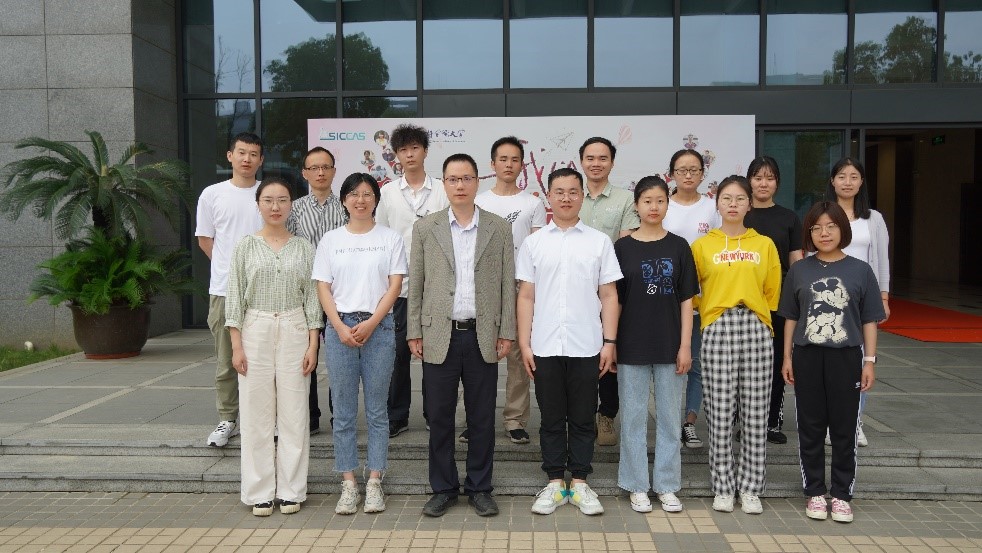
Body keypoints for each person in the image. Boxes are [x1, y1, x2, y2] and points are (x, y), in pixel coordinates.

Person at [407, 153, 515, 518]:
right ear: (444, 183)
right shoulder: (426, 228)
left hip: (482, 334)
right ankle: (443, 488)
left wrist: (506, 330)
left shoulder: (498, 227)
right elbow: (417, 282)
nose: (460, 185)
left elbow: (507, 284)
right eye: (453, 179)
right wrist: (414, 329)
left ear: (477, 181)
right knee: (439, 416)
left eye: (467, 178)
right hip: (440, 334)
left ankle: (480, 488)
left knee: (482, 416)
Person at [518, 167, 622, 516]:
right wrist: (525, 343)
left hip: (586, 343)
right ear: (548, 196)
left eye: (572, 192)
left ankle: (579, 482)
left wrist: (609, 342)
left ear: (582, 196)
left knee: (582, 416)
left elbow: (609, 295)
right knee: (550, 417)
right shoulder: (534, 243)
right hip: (545, 344)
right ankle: (553, 483)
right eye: (559, 192)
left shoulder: (599, 242)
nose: (566, 198)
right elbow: (526, 296)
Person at [779, 201, 884, 524]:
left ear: (843, 230)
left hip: (846, 356)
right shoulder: (800, 270)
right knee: (810, 426)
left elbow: (869, 320)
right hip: (807, 355)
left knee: (843, 428)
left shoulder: (860, 270)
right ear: (809, 233)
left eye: (831, 226)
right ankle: (814, 491)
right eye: (816, 228)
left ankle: (841, 494)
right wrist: (787, 356)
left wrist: (869, 360)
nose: (824, 233)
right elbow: (791, 317)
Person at [225, 176, 323, 516]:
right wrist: (237, 346)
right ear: (258, 205)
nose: (276, 206)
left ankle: (292, 490)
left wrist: (313, 344)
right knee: (256, 414)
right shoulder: (245, 247)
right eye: (268, 200)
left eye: (282, 200)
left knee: (295, 412)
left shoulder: (304, 248)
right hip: (256, 327)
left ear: (291, 204)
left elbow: (313, 299)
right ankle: (259, 492)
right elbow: (234, 298)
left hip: (295, 327)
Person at [312, 173, 407, 515]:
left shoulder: (390, 238)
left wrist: (372, 322)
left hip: (379, 327)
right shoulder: (331, 240)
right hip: (340, 328)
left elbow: (395, 286)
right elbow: (323, 287)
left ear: (376, 200)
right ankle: (349, 483)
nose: (361, 200)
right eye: (354, 194)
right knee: (344, 411)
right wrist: (338, 326)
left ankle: (376, 480)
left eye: (367, 194)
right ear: (344, 200)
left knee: (378, 410)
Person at [691, 175, 781, 515]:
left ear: (749, 204)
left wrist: (756, 314)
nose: (733, 204)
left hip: (755, 325)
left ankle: (751, 488)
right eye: (726, 198)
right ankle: (723, 487)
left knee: (756, 412)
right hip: (718, 325)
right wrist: (711, 311)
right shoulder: (703, 246)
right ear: (717, 204)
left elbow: (772, 290)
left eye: (740, 198)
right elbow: (692, 291)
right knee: (719, 411)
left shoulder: (764, 245)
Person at [614, 176, 698, 514]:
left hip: (670, 344)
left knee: (669, 419)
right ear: (636, 205)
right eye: (647, 200)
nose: (654, 207)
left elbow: (687, 300)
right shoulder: (622, 248)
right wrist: (611, 342)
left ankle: (666, 485)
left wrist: (685, 345)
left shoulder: (679, 246)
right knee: (633, 418)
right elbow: (615, 301)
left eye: (660, 200)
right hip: (631, 344)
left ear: (667, 204)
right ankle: (636, 484)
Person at [376, 123, 450, 438]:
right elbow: (380, 236)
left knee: (435, 354)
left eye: (415, 148)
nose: (409, 155)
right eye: (403, 150)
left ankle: (435, 413)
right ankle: (397, 415)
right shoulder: (387, 193)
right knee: (397, 354)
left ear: (425, 151)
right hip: (399, 287)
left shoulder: (443, 190)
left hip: (435, 287)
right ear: (396, 154)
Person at [474, 136, 547, 446]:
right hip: (484, 288)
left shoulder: (532, 204)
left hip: (520, 287)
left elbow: (538, 250)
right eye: (502, 159)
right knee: (480, 355)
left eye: (515, 159)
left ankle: (515, 420)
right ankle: (477, 420)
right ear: (492, 164)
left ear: (522, 165)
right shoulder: (478, 202)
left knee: (518, 355)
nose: (508, 164)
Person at [196, 132, 265, 448]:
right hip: (225, 290)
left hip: (264, 291)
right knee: (227, 360)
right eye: (241, 152)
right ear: (230, 156)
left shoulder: (267, 194)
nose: (247, 159)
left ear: (260, 160)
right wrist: (232, 271)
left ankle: (261, 419)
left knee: (263, 360)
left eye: (253, 154)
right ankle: (227, 418)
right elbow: (205, 240)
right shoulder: (212, 194)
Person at [577, 136, 639, 447]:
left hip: (613, 286)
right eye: (590, 158)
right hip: (576, 288)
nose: (596, 163)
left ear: (612, 162)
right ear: (581, 162)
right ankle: (583, 413)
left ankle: (607, 414)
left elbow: (625, 247)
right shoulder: (573, 195)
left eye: (603, 158)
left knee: (610, 350)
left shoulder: (626, 199)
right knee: (580, 351)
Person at [825, 157, 890, 448]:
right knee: (829, 363)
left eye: (853, 176)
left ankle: (854, 421)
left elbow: (883, 260)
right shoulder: (824, 214)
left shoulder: (873, 219)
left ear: (861, 182)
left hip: (863, 299)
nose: (847, 182)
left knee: (861, 360)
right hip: (828, 297)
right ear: (833, 181)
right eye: (842, 176)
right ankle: (831, 423)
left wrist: (883, 296)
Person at [662, 148, 720, 451]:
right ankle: (668, 421)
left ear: (702, 174)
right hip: (664, 298)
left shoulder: (712, 208)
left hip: (702, 297)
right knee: (665, 364)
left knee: (696, 363)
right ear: (671, 173)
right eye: (681, 170)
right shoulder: (662, 204)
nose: (688, 175)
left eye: (694, 170)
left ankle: (689, 421)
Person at [743, 156, 804, 445]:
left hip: (778, 301)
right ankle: (745, 422)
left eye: (769, 178)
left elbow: (796, 261)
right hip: (744, 299)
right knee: (744, 365)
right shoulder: (740, 214)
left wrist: (801, 297)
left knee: (777, 359)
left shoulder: (789, 218)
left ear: (777, 182)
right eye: (758, 178)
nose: (763, 183)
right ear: (749, 181)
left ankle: (771, 422)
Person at [287, 146, 347, 435]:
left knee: (338, 357)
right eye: (314, 168)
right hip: (305, 292)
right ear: (305, 173)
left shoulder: (346, 207)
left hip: (339, 292)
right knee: (304, 355)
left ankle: (340, 416)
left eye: (326, 167)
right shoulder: (294, 208)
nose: (320, 173)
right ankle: (309, 416)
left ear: (334, 171)